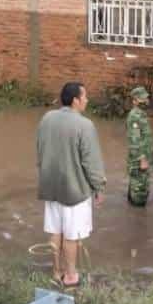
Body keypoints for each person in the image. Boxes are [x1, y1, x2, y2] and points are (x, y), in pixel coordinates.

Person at [37, 82, 106, 288]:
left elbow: (39, 149)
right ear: (75, 100)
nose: (87, 100)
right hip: (74, 189)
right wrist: (99, 188)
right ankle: (71, 276)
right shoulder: (84, 125)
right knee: (72, 235)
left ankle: (56, 273)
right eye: (84, 96)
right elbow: (91, 161)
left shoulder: (47, 118)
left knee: (55, 232)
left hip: (50, 185)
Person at [127, 86, 153, 207]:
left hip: (143, 157)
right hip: (139, 160)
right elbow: (135, 140)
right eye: (142, 99)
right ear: (134, 101)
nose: (145, 101)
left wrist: (152, 157)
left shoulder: (142, 114)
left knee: (137, 189)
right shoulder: (135, 116)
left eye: (146, 98)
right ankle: (136, 221)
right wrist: (142, 159)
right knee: (139, 195)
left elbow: (145, 138)